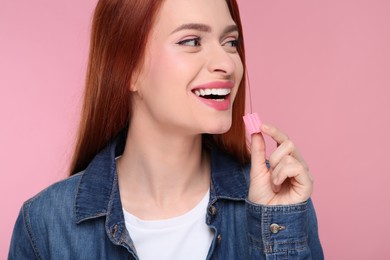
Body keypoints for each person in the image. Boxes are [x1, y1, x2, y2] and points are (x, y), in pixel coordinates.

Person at [8, 0, 324, 259]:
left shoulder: (277, 206)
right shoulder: (45, 224)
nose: (227, 64)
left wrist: (279, 231)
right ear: (127, 68)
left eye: (230, 42)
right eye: (191, 41)